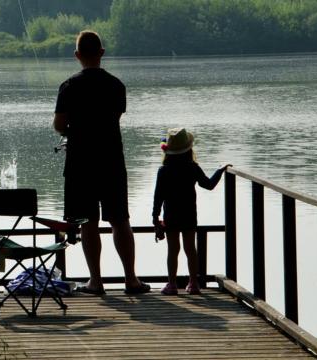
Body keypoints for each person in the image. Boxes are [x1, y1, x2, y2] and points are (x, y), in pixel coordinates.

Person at [53, 30, 150, 295]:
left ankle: (96, 282)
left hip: (80, 163)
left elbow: (60, 125)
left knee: (88, 222)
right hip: (111, 161)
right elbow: (113, 118)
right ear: (102, 53)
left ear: (77, 55)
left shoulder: (68, 86)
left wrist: (71, 131)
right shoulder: (117, 85)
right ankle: (131, 279)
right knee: (120, 220)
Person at [152, 128, 230, 295]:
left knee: (173, 250)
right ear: (189, 149)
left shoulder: (163, 170)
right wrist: (220, 170)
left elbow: (158, 196)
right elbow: (208, 185)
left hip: (171, 215)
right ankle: (194, 284)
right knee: (190, 249)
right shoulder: (192, 167)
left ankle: (172, 285)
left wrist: (155, 218)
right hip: (189, 214)